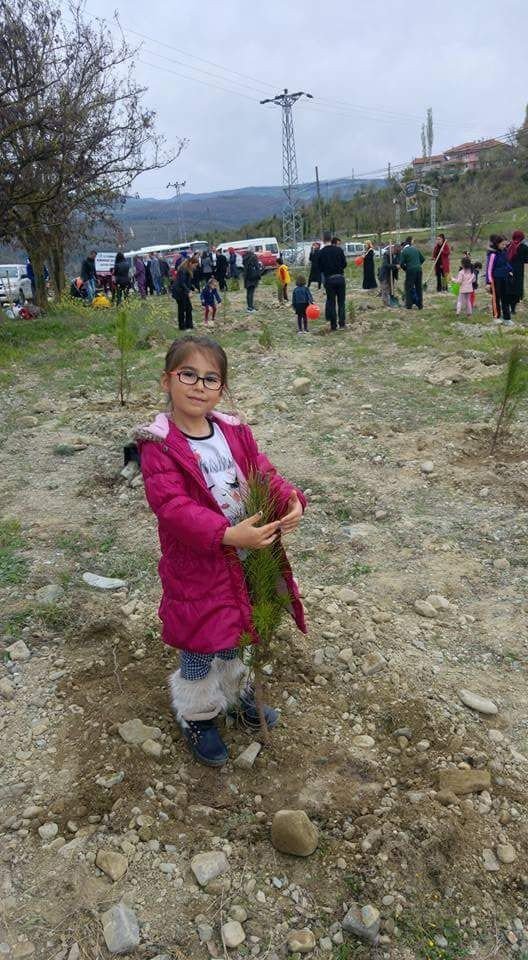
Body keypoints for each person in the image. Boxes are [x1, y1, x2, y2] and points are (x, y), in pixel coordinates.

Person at [136, 335, 306, 765]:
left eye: (211, 378)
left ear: (221, 388)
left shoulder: (233, 432)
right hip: (198, 564)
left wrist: (291, 499)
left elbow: (262, 472)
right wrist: (227, 535)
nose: (199, 385)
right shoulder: (160, 446)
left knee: (236, 630)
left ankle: (236, 694)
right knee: (199, 641)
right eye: (187, 374)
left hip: (247, 557)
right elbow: (171, 506)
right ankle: (197, 714)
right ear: (167, 381)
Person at [317, 230, 347, 330]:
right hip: (340, 278)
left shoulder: (321, 253)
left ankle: (333, 326)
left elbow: (319, 268)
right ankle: (342, 324)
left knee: (331, 303)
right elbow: (344, 264)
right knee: (341, 302)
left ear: (323, 240)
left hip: (329, 280)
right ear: (331, 239)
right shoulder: (339, 250)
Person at [486, 234, 514, 325]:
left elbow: (506, 263)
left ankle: (507, 318)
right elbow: (489, 269)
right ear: (497, 244)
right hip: (495, 280)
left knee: (505, 298)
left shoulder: (504, 252)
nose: (504, 246)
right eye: (502, 245)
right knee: (496, 298)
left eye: (505, 245)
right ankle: (496, 317)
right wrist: (488, 282)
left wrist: (510, 270)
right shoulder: (493, 254)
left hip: (505, 278)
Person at [400, 236, 425, 310]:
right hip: (419, 270)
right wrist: (417, 265)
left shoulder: (404, 251)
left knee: (409, 288)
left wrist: (406, 269)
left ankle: (409, 305)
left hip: (410, 271)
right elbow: (422, 259)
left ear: (404, 245)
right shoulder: (415, 249)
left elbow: (401, 264)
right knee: (419, 288)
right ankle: (420, 305)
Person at [508, 230, 528, 315]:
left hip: (508, 270)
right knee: (516, 289)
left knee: (509, 288)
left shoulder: (508, 245)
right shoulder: (524, 247)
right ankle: (513, 309)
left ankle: (507, 306)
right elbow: (526, 260)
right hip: (518, 271)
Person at [171, 259, 195, 330]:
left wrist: (192, 288)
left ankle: (189, 325)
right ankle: (182, 326)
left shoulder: (187, 270)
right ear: (190, 263)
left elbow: (187, 282)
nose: (195, 267)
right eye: (195, 265)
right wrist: (188, 291)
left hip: (183, 291)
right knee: (182, 309)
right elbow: (182, 283)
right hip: (179, 292)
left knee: (189, 308)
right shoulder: (183, 270)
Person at [242, 247, 261, 313]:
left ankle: (249, 306)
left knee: (248, 292)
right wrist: (259, 275)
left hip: (247, 277)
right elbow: (257, 267)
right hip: (253, 277)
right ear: (252, 251)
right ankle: (251, 308)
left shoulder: (244, 256)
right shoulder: (254, 256)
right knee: (251, 293)